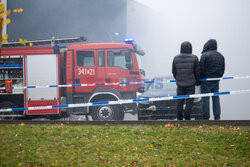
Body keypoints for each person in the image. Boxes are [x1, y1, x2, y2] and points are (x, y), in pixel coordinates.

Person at [172, 41, 200, 120]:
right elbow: (197, 72)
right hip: (191, 84)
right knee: (189, 102)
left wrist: (178, 79)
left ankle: (179, 118)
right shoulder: (194, 58)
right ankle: (187, 117)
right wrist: (197, 82)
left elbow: (174, 71)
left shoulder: (176, 58)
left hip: (180, 84)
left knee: (179, 101)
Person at [200, 39, 225, 120]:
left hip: (206, 80)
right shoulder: (221, 56)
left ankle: (206, 118)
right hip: (216, 80)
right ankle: (217, 117)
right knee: (216, 98)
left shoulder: (204, 55)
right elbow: (222, 69)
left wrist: (201, 79)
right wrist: (218, 77)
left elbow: (201, 69)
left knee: (206, 99)